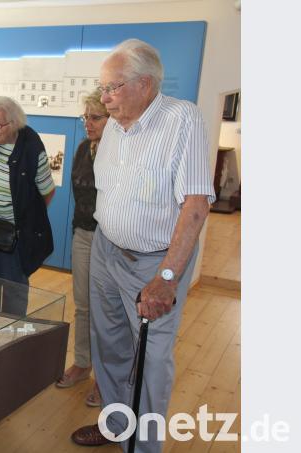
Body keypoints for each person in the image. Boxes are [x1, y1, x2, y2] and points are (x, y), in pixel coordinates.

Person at [70, 39, 214, 451]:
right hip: (106, 250)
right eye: (102, 88)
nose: (104, 97)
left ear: (145, 84)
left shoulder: (181, 120)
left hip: (153, 263)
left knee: (151, 360)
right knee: (109, 345)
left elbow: (196, 205)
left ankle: (144, 446)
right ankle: (116, 424)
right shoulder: (114, 125)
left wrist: (166, 277)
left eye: (112, 87)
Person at [0, 96, 55, 316]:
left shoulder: (32, 151)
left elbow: (47, 192)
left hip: (14, 236)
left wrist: (26, 216)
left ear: (14, 123)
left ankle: (12, 335)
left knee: (13, 289)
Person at [55, 88, 108, 406]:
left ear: (111, 118)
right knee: (83, 305)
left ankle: (107, 380)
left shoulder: (119, 151)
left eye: (95, 117)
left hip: (111, 239)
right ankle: (83, 362)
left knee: (107, 312)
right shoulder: (81, 149)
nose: (87, 123)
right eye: (85, 116)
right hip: (84, 234)